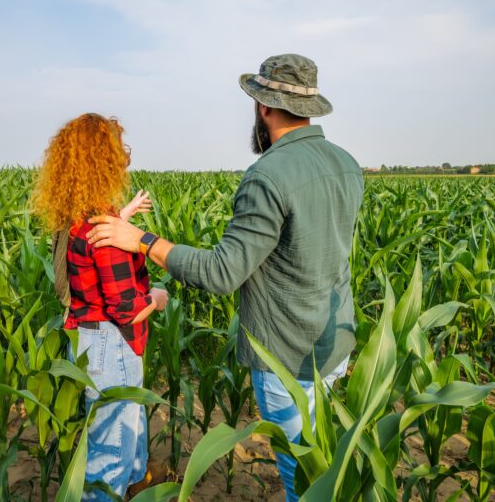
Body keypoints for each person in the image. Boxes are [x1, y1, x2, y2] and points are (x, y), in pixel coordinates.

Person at [85, 54, 364, 501]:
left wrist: (141, 240)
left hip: (287, 358)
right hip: (334, 347)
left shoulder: (268, 174)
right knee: (324, 469)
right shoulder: (347, 164)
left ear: (263, 108)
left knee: (303, 482)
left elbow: (220, 272)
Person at [31, 113, 169, 501]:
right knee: (111, 450)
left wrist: (121, 216)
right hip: (115, 345)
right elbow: (128, 309)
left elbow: (90, 248)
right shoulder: (106, 232)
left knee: (126, 429)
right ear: (103, 162)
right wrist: (158, 298)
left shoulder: (77, 219)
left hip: (92, 339)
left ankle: (138, 482)